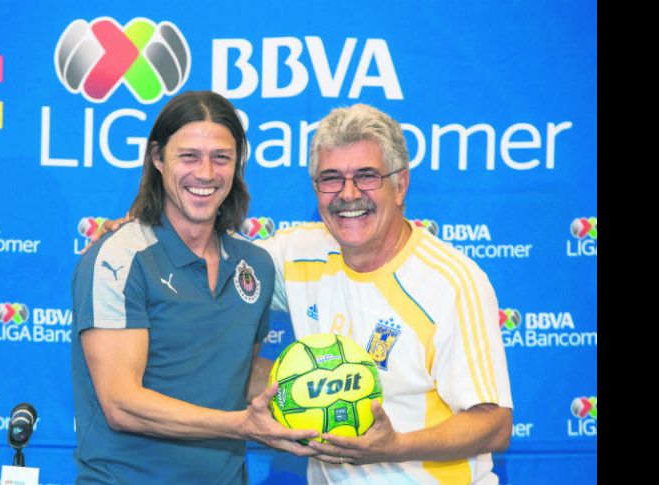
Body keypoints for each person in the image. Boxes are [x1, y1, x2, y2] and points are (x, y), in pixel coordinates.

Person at [90, 102, 513, 484]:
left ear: (400, 185)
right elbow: (209, 265)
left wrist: (395, 446)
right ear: (315, 188)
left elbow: (495, 425)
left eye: (366, 176)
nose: (348, 195)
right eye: (331, 179)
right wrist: (140, 230)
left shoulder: (452, 281)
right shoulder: (296, 254)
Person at [70, 90, 317, 485]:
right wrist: (240, 426)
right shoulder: (117, 259)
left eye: (221, 157)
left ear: (237, 165)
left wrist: (325, 389)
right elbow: (121, 404)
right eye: (189, 156)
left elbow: (237, 371)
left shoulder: (254, 265)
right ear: (157, 158)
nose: (205, 173)